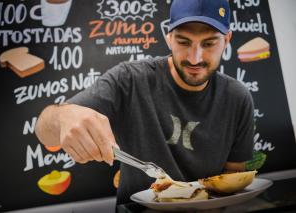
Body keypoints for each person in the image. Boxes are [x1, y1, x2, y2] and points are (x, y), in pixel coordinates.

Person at [35, 0, 254, 204]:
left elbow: (233, 175)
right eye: (183, 41)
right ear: (169, 37)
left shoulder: (238, 97)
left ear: (226, 40)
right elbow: (43, 131)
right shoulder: (129, 79)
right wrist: (63, 115)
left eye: (209, 43)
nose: (195, 58)